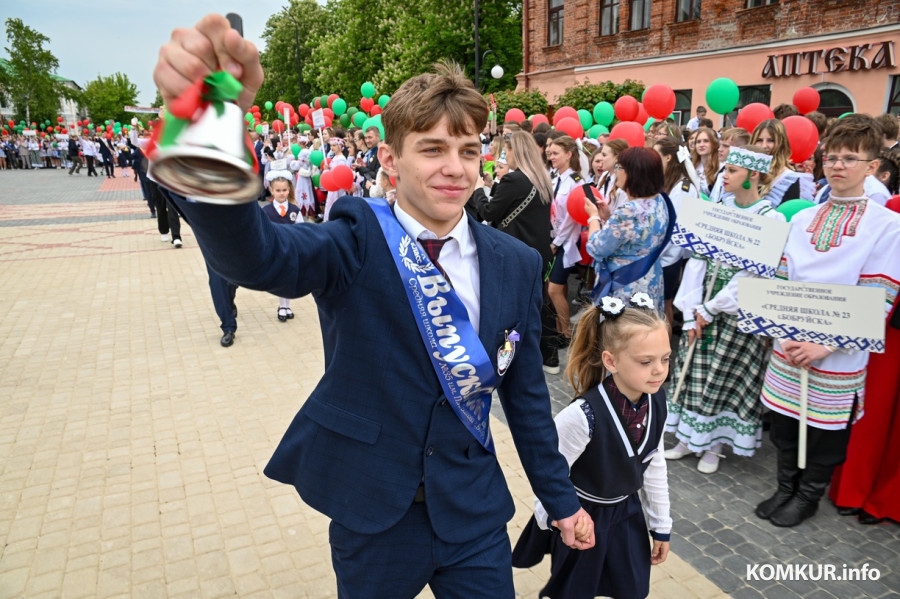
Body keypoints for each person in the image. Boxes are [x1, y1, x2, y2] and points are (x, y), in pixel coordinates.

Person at [153, 15, 593, 598]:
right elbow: (257, 258)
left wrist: (560, 500)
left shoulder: (514, 261)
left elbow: (528, 398)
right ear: (389, 158)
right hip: (374, 511)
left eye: (468, 150)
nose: (455, 167)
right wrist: (209, 131)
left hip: (473, 511)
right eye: (432, 149)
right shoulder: (355, 239)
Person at [755, 115, 900, 528]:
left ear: (872, 166)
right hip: (790, 343)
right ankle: (785, 487)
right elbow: (782, 277)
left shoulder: (887, 226)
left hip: (836, 351)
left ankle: (807, 496)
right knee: (785, 424)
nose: (837, 165)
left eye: (850, 158)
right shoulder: (803, 219)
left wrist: (825, 345)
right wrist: (779, 331)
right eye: (831, 157)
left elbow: (879, 293)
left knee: (824, 432)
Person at [512, 293, 672, 599]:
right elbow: (548, 471)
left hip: (626, 512)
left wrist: (661, 524)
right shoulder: (583, 415)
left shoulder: (657, 401)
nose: (659, 370)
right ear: (611, 361)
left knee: (632, 588)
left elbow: (654, 462)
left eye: (665, 358)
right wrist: (556, 516)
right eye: (646, 361)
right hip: (582, 516)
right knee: (573, 590)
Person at [665, 146, 785, 473]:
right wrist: (693, 309)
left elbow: (755, 276)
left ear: (754, 175)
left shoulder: (770, 219)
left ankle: (713, 445)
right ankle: (688, 438)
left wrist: (713, 307)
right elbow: (697, 262)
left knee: (724, 379)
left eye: (732, 170)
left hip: (735, 314)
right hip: (703, 309)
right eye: (726, 169)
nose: (724, 176)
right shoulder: (718, 210)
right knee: (694, 372)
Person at [829, 195, 900, 525]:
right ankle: (854, 490)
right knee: (874, 409)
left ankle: (891, 498)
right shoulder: (895, 208)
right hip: (889, 324)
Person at [472, 131, 558, 375]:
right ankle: (549, 355)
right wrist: (493, 186)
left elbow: (489, 212)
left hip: (516, 251)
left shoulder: (514, 179)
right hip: (539, 251)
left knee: (512, 307)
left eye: (506, 151)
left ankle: (509, 354)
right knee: (539, 304)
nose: (504, 156)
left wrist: (479, 190)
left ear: (515, 152)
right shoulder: (541, 177)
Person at [582, 147, 673, 310]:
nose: (615, 172)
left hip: (626, 285)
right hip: (650, 278)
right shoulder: (660, 200)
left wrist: (594, 217)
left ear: (633, 173)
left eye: (619, 167)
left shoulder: (629, 211)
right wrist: (609, 217)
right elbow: (635, 234)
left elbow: (596, 247)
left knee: (624, 325)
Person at [652, 136, 699, 325]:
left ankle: (665, 343)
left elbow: (674, 230)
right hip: (659, 256)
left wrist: (652, 255)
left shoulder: (683, 188)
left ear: (668, 157)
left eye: (656, 155)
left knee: (664, 308)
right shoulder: (669, 183)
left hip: (666, 258)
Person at [546, 135, 586, 349]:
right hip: (554, 237)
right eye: (550, 153)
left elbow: (572, 217)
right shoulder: (555, 177)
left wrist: (557, 242)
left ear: (569, 154)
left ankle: (568, 333)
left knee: (554, 289)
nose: (551, 157)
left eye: (556, 153)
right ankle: (560, 329)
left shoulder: (576, 182)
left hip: (567, 241)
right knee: (557, 288)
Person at [261, 169, 301, 321]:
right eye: (278, 190)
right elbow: (263, 231)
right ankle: (282, 305)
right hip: (276, 250)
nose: (281, 193)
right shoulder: (266, 211)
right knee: (280, 279)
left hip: (291, 249)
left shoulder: (295, 210)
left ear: (289, 190)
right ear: (271, 191)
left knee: (289, 279)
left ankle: (287, 305)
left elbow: (301, 230)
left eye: (284, 190)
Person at [748, 119, 815, 207]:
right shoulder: (744, 170)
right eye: (759, 140)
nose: (764, 145)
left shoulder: (789, 179)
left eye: (770, 140)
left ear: (781, 143)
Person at [691, 127, 720, 196]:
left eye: (706, 141)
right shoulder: (692, 165)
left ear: (714, 143)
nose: (701, 145)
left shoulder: (720, 168)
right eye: (698, 142)